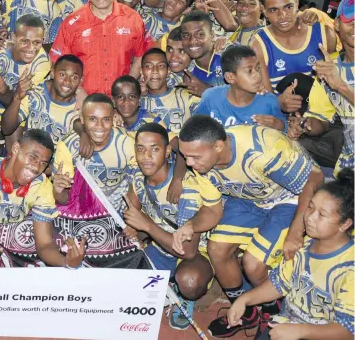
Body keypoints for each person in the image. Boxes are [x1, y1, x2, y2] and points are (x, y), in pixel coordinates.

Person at [176, 115, 324, 338]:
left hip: (290, 198)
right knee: (217, 248)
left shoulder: (263, 150)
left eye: (194, 157)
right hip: (249, 198)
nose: (189, 164)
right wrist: (191, 225)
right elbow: (212, 211)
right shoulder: (202, 164)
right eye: (185, 157)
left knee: (253, 264)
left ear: (218, 146)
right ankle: (245, 311)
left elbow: (314, 178)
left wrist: (296, 230)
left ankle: (273, 312)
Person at [227, 169, 354, 340]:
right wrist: (245, 299)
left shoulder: (349, 268)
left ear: (345, 224)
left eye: (321, 214)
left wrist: (299, 331)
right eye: (310, 207)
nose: (309, 217)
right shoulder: (304, 244)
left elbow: (347, 331)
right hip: (289, 324)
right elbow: (279, 283)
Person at [122, 124, 217, 331]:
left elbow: (187, 251)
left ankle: (184, 295)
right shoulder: (138, 179)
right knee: (123, 274)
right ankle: (167, 281)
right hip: (160, 245)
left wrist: (145, 225)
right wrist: (133, 231)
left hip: (194, 252)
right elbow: (132, 218)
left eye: (154, 149)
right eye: (140, 149)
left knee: (190, 281)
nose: (146, 156)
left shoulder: (187, 187)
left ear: (167, 152)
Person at [0, 129, 86, 271]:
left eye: (43, 163)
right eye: (32, 157)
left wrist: (67, 262)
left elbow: (44, 245)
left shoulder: (42, 186)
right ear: (16, 149)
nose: (36, 167)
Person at [50, 0, 151, 96]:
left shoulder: (133, 19)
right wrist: (79, 91)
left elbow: (141, 55)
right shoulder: (71, 23)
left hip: (119, 103)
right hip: (81, 102)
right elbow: (57, 64)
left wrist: (127, 86)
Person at [288, 0, 354, 177]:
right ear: (338, 25)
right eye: (351, 20)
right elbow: (322, 122)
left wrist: (342, 87)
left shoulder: (334, 74)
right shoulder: (328, 66)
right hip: (345, 166)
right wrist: (305, 125)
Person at [0, 15, 50, 159]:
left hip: (12, 99)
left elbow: (18, 102)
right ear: (13, 37)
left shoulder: (42, 64)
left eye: (37, 42)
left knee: (15, 150)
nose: (31, 48)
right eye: (25, 41)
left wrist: (2, 88)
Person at [251, 0, 336, 100]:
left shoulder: (325, 34)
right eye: (274, 10)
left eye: (288, 7)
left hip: (322, 114)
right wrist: (280, 105)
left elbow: (336, 87)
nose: (282, 16)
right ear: (264, 10)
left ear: (297, 2)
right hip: (280, 117)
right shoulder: (259, 45)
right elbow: (267, 99)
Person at [53, 93, 135, 209]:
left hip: (119, 213)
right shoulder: (68, 146)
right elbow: (64, 200)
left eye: (106, 119)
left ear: (113, 118)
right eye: (92, 119)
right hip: (81, 211)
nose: (99, 126)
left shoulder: (127, 143)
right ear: (81, 118)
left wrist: (129, 222)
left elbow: (137, 188)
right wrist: (58, 191)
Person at [195, 45, 286, 130]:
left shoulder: (268, 101)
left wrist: (277, 125)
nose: (257, 75)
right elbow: (195, 130)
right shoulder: (211, 98)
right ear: (230, 77)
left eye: (258, 68)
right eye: (249, 71)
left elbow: (284, 130)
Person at [1, 54, 82, 146]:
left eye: (74, 77)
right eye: (62, 74)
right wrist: (17, 98)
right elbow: (6, 129)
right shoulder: (35, 91)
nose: (67, 81)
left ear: (81, 80)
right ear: (52, 73)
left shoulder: (79, 109)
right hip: (27, 154)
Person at [140, 49, 199, 135]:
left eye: (161, 66)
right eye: (148, 66)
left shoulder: (186, 96)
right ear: (141, 71)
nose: (155, 71)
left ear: (168, 71)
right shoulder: (136, 103)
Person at [181, 10, 226, 95]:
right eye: (186, 35)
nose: (192, 41)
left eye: (200, 34)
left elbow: (247, 100)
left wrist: (208, 92)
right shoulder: (190, 75)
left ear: (212, 35)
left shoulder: (229, 56)